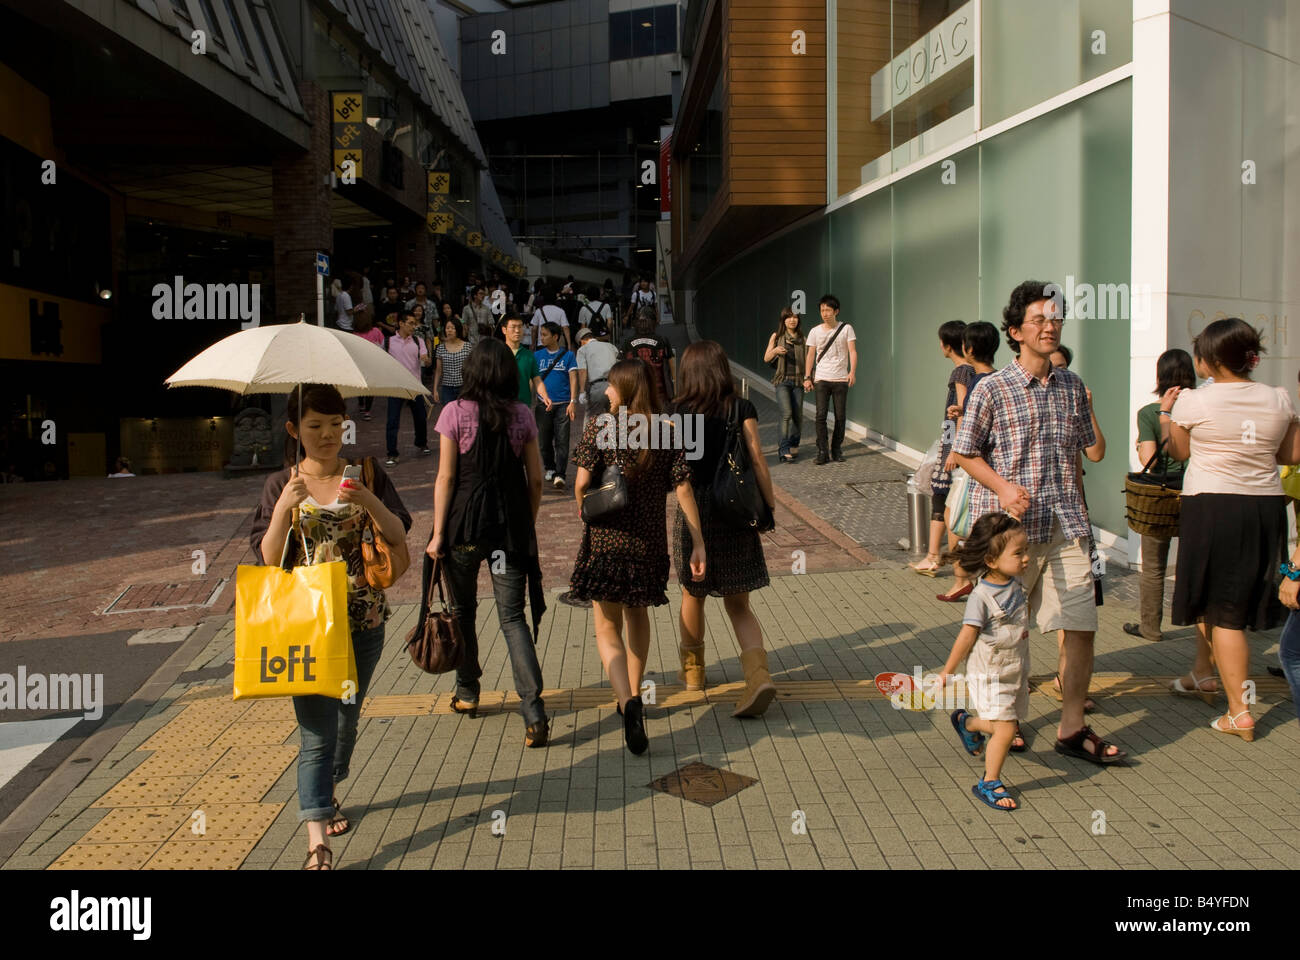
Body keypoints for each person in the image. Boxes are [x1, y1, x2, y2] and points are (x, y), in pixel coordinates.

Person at [952, 280, 1126, 765]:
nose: (1050, 327)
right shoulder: (992, 388)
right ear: (1015, 331)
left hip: (1067, 525)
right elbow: (964, 452)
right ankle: (997, 716)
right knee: (1005, 632)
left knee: (1081, 626)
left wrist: (1089, 409)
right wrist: (1005, 488)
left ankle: (1072, 727)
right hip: (1013, 535)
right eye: (1039, 320)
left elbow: (1092, 450)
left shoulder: (1071, 384)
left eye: (1056, 319)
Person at [249, 383, 412, 869]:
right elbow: (267, 557)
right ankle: (317, 841)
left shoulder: (363, 473)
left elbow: (400, 533)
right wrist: (283, 509)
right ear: (294, 429)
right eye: (314, 425)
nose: (326, 435)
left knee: (347, 721)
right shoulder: (281, 484)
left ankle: (330, 786)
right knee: (315, 734)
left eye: (334, 424)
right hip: (306, 626)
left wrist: (367, 500)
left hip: (363, 619)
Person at [1162, 318, 1300, 741]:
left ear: (1211, 360)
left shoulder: (1193, 402)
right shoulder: (1279, 397)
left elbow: (1179, 452)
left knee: (1224, 613)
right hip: (1264, 507)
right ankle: (1206, 678)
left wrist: (1167, 414)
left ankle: (1240, 711)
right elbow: (1289, 453)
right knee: (1229, 602)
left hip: (1213, 505)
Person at [570, 359, 706, 754]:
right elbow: (683, 490)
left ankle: (627, 701)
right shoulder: (666, 431)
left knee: (606, 627)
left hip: (606, 541)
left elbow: (580, 483)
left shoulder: (599, 427)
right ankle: (631, 692)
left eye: (612, 386)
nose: (607, 392)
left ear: (626, 390)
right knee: (637, 615)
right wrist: (697, 542)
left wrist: (585, 511)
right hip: (648, 544)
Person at [428, 339, 551, 748]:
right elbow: (535, 478)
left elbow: (446, 478)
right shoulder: (522, 415)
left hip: (465, 528)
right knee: (512, 617)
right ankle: (533, 712)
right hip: (506, 530)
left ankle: (468, 691)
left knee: (464, 608)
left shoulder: (454, 413)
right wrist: (526, 521)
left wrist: (439, 533)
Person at [671, 341, 778, 716]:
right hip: (733, 507)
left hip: (695, 508)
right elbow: (758, 458)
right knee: (739, 603)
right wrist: (768, 505)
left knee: (691, 592)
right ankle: (758, 676)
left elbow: (675, 469)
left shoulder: (678, 412)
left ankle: (694, 676)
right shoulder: (740, 407)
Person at [937, 513, 1031, 812]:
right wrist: (947, 671)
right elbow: (966, 636)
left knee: (1008, 722)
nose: (1026, 558)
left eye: (1025, 550)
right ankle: (989, 781)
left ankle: (967, 723)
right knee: (1006, 729)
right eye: (1018, 553)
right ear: (991, 560)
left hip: (1015, 666)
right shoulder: (980, 596)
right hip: (989, 671)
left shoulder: (1014, 582)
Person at [1122, 349, 1199, 644]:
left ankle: (1151, 628)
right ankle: (1202, 626)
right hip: (1196, 491)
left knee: (1154, 567)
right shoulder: (1201, 408)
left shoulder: (1149, 413)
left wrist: (1141, 443)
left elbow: (1149, 458)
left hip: (1161, 498)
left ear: (1160, 376)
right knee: (1194, 563)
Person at [936, 322, 1000, 604]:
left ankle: (963, 579)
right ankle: (972, 578)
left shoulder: (970, 377)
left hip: (973, 462)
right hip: (987, 463)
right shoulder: (1000, 378)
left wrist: (956, 451)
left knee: (956, 519)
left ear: (968, 348)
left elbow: (970, 420)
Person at [911, 320, 972, 576]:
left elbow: (961, 412)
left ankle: (939, 559)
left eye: (940, 342)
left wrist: (954, 450)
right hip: (955, 445)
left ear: (947, 345)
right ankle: (937, 557)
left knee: (943, 500)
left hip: (953, 446)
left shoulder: (961, 372)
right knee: (947, 502)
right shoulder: (971, 371)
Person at [803, 294, 857, 464]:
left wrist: (852, 372)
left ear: (836, 311)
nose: (825, 313)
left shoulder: (847, 328)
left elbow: (852, 351)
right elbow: (810, 354)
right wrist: (807, 377)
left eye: (828, 310)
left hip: (841, 379)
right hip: (821, 378)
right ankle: (822, 451)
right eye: (822, 310)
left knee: (840, 417)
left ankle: (836, 449)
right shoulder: (815, 331)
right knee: (821, 416)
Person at [384, 313, 432, 466]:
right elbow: (381, 360)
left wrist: (426, 360)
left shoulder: (418, 341)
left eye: (414, 323)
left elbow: (426, 359)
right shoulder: (388, 342)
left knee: (420, 418)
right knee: (392, 421)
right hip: (396, 387)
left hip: (414, 386)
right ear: (401, 323)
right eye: (410, 323)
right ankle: (392, 453)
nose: (413, 326)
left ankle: (421, 442)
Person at [534, 321, 578, 488]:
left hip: (563, 404)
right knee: (544, 441)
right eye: (541, 334)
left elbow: (573, 379)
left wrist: (573, 401)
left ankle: (560, 474)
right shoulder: (537, 356)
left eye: (545, 335)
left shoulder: (568, 356)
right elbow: (533, 379)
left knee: (562, 440)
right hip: (542, 405)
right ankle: (550, 467)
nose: (541, 338)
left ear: (555, 337)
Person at [764, 307, 807, 463]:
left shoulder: (803, 339)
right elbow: (766, 358)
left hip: (798, 381)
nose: (792, 320)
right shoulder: (777, 337)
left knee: (798, 416)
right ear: (783, 320)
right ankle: (783, 449)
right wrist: (775, 350)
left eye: (795, 317)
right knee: (786, 413)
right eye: (789, 317)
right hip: (782, 380)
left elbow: (808, 360)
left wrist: (808, 378)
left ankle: (794, 443)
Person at [621, 306, 676, 404]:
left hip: (635, 393)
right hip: (659, 394)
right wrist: (674, 392)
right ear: (654, 322)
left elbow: (622, 369)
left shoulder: (628, 343)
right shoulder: (662, 340)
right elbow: (671, 368)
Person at [503, 314, 552, 411]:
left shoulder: (529, 355)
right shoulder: (497, 352)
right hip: (501, 407)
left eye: (520, 327)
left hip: (523, 407)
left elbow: (537, 379)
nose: (517, 331)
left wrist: (545, 396)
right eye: (513, 327)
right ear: (504, 330)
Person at [576, 319, 620, 416]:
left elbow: (582, 371)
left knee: (591, 420)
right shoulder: (610, 346)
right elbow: (619, 366)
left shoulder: (583, 349)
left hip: (597, 388)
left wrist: (582, 391)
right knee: (616, 419)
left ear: (582, 341)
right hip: (614, 386)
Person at [351, 312, 385, 420]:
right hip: (373, 363)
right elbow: (383, 345)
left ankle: (361, 404)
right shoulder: (376, 331)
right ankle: (367, 411)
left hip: (359, 363)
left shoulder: (354, 334)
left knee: (360, 384)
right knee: (371, 387)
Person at [433, 317, 469, 407]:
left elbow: (473, 368)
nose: (450, 330)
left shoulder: (467, 346)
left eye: (453, 328)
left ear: (458, 330)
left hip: (464, 387)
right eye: (447, 328)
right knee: (449, 415)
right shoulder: (440, 348)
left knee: (464, 414)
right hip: (447, 388)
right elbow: (438, 370)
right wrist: (435, 389)